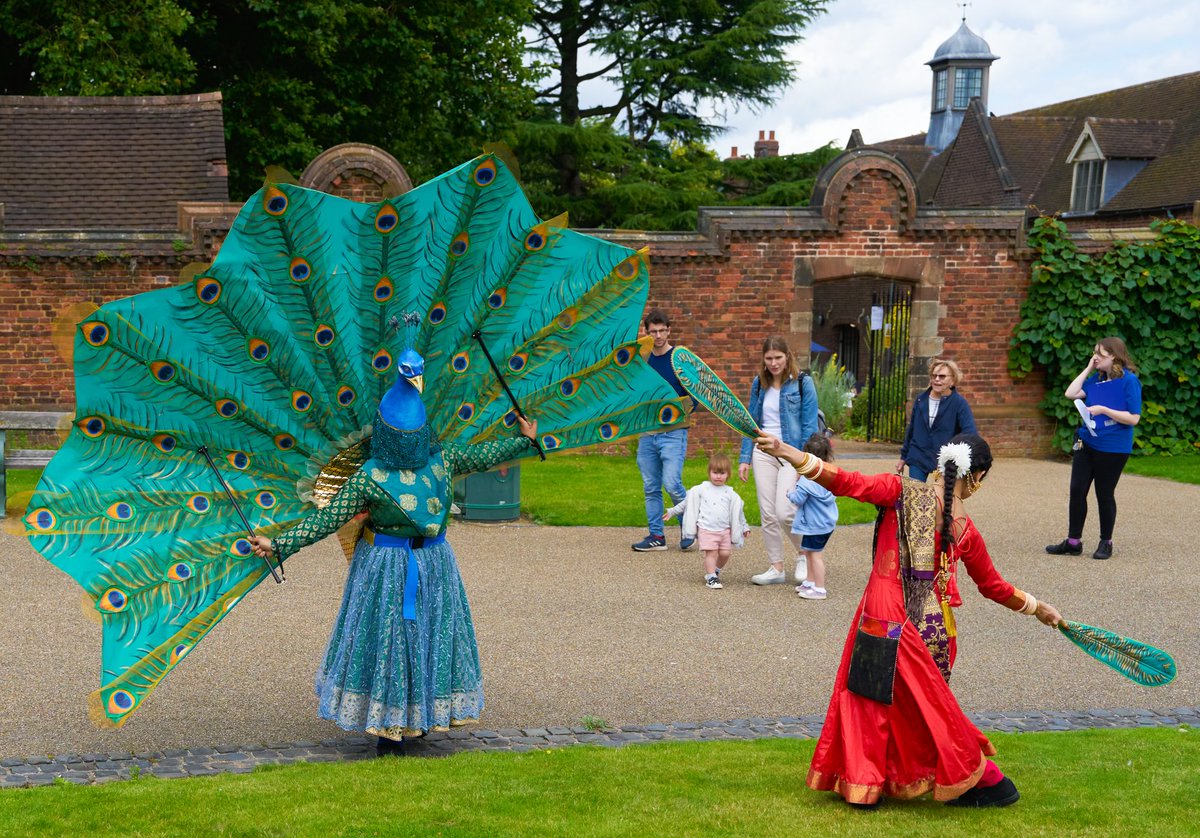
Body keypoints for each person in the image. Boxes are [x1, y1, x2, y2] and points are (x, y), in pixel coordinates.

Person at [250, 349, 538, 757]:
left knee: (396, 640)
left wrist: (278, 545)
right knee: (420, 636)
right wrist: (523, 441)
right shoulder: (443, 459)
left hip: (393, 565)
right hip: (429, 564)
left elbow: (326, 520)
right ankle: (404, 724)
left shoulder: (372, 475)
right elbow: (485, 454)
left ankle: (398, 726)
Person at [757, 430, 1064, 808]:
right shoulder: (965, 530)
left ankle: (948, 780)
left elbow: (844, 481)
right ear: (977, 476)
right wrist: (1037, 608)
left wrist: (787, 451)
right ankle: (888, 783)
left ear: (941, 464)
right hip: (935, 631)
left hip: (884, 617)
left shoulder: (899, 491)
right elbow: (994, 586)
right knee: (922, 709)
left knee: (874, 701)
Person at [1045, 337, 1142, 560]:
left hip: (1114, 447)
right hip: (1087, 441)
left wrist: (1104, 410)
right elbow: (1071, 393)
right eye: (1094, 352)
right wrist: (1089, 366)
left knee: (1104, 493)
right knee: (1077, 490)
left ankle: (1106, 542)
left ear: (1115, 357)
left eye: (1100, 354)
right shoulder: (1095, 380)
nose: (1095, 356)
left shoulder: (1129, 381)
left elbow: (1133, 418)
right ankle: (1073, 541)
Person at [737, 336, 820, 585]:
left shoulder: (803, 383)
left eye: (778, 358)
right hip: (762, 452)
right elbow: (749, 422)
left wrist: (803, 462)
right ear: (763, 359)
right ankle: (776, 567)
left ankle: (804, 553)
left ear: (787, 357)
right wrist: (745, 459)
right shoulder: (758, 384)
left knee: (785, 512)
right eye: (769, 358)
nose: (774, 363)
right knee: (768, 513)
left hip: (790, 453)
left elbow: (809, 425)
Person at [632, 308, 695, 552]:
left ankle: (689, 527)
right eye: (653, 331)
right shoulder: (643, 360)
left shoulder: (679, 359)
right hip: (648, 432)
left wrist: (681, 412)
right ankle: (656, 536)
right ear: (647, 333)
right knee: (650, 486)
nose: (657, 335)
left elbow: (696, 394)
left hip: (674, 432)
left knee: (671, 483)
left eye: (661, 331)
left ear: (669, 331)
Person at [664, 453, 749, 589]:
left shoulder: (730, 493)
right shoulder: (701, 489)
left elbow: (738, 512)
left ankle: (715, 571)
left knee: (725, 553)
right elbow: (686, 503)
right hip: (706, 528)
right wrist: (672, 511)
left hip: (724, 530)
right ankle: (711, 577)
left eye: (722, 473)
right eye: (715, 472)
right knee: (712, 552)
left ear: (728, 474)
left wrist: (744, 527)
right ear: (709, 472)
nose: (718, 476)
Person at [896, 358, 977, 482]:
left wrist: (960, 458)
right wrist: (903, 457)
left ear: (953, 380)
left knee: (942, 499)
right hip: (919, 456)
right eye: (934, 376)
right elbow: (911, 430)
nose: (937, 379)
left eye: (942, 376)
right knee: (916, 497)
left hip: (945, 460)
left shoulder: (959, 403)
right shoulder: (920, 400)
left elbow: (970, 434)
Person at [788, 433, 838, 601]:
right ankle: (810, 582)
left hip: (813, 525)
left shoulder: (806, 481)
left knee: (815, 556)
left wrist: (790, 493)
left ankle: (819, 588)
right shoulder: (829, 475)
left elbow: (798, 500)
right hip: (825, 524)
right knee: (809, 553)